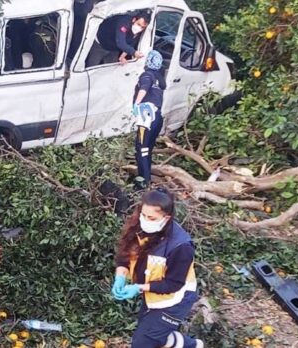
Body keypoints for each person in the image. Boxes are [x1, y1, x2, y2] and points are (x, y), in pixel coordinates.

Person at [111, 189, 203, 348]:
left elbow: (173, 284)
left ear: (166, 218)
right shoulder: (137, 228)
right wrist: (120, 276)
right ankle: (192, 345)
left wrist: (138, 288)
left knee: (142, 343)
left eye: (151, 218)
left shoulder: (180, 246)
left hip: (175, 300)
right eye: (143, 215)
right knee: (153, 335)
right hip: (152, 295)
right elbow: (124, 257)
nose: (145, 220)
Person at [132, 50, 167, 190]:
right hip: (157, 117)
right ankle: (146, 178)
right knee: (148, 149)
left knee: (141, 149)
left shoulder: (147, 75)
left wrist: (136, 104)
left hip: (146, 116)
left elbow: (144, 87)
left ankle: (142, 183)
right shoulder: (160, 79)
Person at [86, 9, 151, 67]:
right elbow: (120, 42)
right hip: (100, 44)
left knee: (110, 69)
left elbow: (131, 44)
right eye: (139, 24)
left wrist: (122, 57)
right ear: (134, 19)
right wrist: (134, 52)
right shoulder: (124, 22)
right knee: (91, 66)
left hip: (114, 49)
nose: (139, 28)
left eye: (142, 27)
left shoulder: (139, 32)